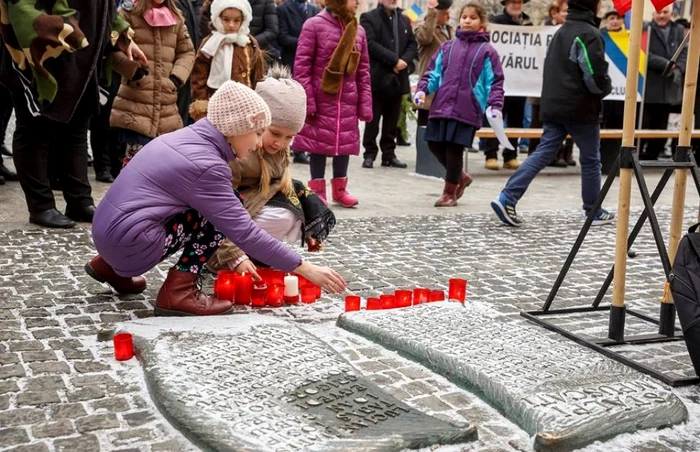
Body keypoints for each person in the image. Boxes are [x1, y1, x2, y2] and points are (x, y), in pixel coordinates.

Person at [87, 81, 346, 316]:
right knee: (216, 216)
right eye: (258, 133)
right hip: (130, 244)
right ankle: (179, 292)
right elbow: (243, 231)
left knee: (213, 208)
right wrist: (305, 268)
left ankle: (108, 267)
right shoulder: (208, 166)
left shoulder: (189, 137)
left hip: (107, 236)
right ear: (237, 128)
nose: (258, 143)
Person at [0, 0, 147, 228]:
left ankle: (79, 201)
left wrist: (122, 37)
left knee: (76, 130)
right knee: (35, 131)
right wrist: (69, 31)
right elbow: (22, 8)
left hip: (83, 59)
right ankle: (41, 206)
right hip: (42, 57)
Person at [490, 0, 614, 226]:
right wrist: (605, 88)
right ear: (592, 7)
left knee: (543, 152)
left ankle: (508, 196)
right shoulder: (589, 34)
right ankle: (593, 209)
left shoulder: (560, 32)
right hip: (580, 107)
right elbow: (593, 76)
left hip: (554, 104)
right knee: (590, 159)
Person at [208, 65, 335, 272]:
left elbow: (282, 185)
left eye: (289, 137)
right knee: (279, 215)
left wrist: (309, 222)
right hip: (229, 217)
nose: (280, 143)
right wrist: (232, 255)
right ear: (259, 122)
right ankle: (225, 256)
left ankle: (256, 252)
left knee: (290, 211)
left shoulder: (279, 151)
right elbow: (218, 209)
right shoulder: (239, 151)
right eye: (275, 133)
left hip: (253, 205)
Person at [415, 3, 502, 207]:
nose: (467, 20)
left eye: (473, 17)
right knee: (434, 143)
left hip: (467, 108)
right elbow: (433, 72)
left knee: (454, 149)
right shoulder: (448, 46)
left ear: (481, 22)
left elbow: (495, 81)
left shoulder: (487, 51)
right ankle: (460, 176)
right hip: (442, 105)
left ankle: (449, 192)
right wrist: (423, 89)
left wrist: (495, 104)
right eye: (464, 17)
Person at [293, 0, 373, 208]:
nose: (357, 3)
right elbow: (302, 66)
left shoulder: (359, 31)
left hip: (347, 99)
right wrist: (308, 100)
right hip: (321, 99)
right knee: (318, 144)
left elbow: (363, 71)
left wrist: (364, 103)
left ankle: (340, 189)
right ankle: (317, 191)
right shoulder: (313, 25)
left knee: (344, 143)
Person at [110, 0, 196, 166]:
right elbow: (113, 48)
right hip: (135, 105)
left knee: (162, 167)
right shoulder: (128, 12)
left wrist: (175, 79)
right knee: (135, 166)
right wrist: (134, 72)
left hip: (167, 107)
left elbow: (187, 52)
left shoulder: (176, 17)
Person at [360, 0, 417, 169]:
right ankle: (369, 154)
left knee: (392, 120)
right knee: (373, 119)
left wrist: (404, 61)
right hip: (378, 78)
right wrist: (394, 60)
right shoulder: (368, 17)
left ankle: (389, 154)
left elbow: (412, 44)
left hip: (398, 78)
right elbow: (369, 43)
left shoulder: (404, 19)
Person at [189, 0, 266, 120]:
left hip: (244, 103)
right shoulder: (210, 43)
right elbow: (199, 75)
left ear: (243, 20)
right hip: (215, 102)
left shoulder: (249, 43)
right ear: (218, 19)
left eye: (236, 20)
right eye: (226, 20)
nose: (231, 25)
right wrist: (201, 103)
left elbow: (257, 75)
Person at [482, 0, 532, 170]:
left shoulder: (528, 23)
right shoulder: (496, 22)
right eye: (513, 2)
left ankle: (511, 155)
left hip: (519, 80)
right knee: (494, 117)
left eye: (519, 2)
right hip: (498, 80)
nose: (516, 5)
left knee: (516, 120)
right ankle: (491, 154)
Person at [640, 6, 686, 160]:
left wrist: (678, 67)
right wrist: (666, 64)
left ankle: (654, 152)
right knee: (645, 120)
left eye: (665, 12)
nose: (661, 16)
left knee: (662, 120)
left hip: (670, 84)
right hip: (650, 82)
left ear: (671, 14)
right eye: (659, 12)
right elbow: (643, 52)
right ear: (653, 14)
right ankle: (639, 151)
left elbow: (684, 51)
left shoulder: (678, 29)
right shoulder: (645, 28)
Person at [413, 0, 454, 127]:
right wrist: (431, 13)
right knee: (425, 127)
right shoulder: (424, 29)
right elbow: (425, 38)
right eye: (444, 13)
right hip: (429, 87)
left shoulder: (450, 30)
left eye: (448, 12)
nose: (448, 15)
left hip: (447, 87)